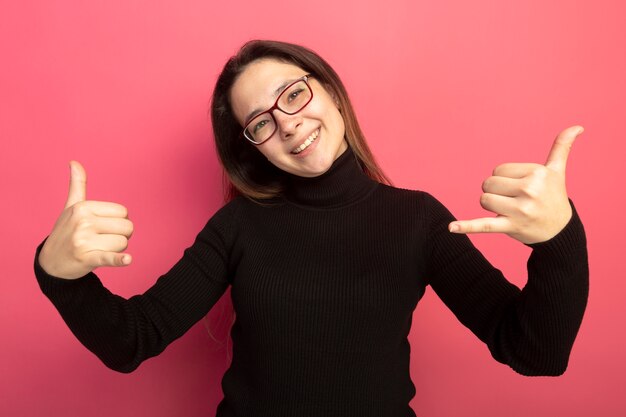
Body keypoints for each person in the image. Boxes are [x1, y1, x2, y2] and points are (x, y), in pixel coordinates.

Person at [34, 40, 589, 417]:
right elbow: (133, 339)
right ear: (252, 149)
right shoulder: (238, 226)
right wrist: (59, 274)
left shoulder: (417, 219)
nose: (288, 123)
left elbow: (535, 353)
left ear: (328, 89)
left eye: (294, 94)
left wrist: (559, 238)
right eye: (260, 123)